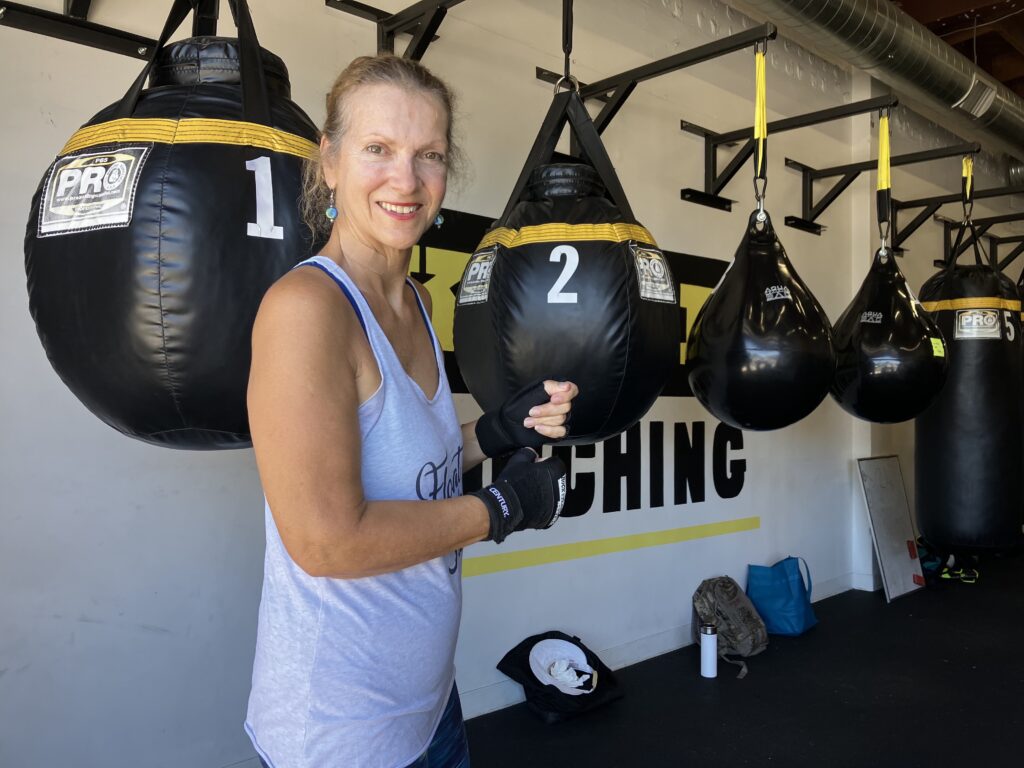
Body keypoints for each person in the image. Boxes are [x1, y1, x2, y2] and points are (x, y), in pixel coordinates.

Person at [244, 54, 578, 768]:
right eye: (379, 150)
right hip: (340, 734)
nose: (407, 179)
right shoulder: (308, 311)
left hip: (429, 706)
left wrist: (492, 432)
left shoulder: (419, 302)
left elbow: (407, 468)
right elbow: (327, 540)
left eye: (428, 155)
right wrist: (503, 509)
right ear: (329, 162)